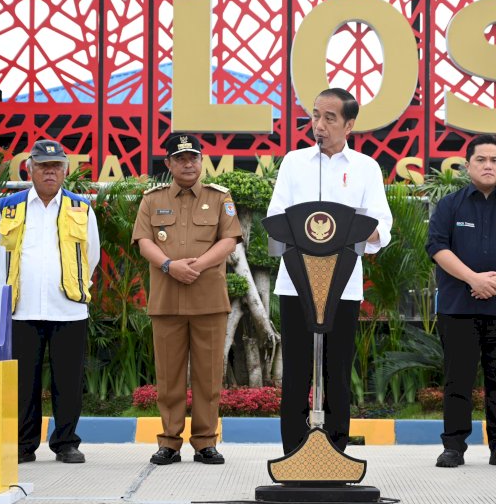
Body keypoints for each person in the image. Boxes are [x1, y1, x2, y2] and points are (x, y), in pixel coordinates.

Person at [268, 88, 392, 454]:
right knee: (295, 373)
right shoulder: (293, 162)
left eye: (329, 118)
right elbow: (276, 217)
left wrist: (359, 230)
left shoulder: (366, 168)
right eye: (315, 116)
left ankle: (336, 453)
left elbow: (381, 226)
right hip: (296, 284)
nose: (318, 125)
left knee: (336, 373)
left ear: (349, 125)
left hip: (343, 285)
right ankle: (293, 454)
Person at [426, 134, 496, 469]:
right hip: (458, 307)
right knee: (458, 378)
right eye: (481, 159)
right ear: (467, 165)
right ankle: (454, 447)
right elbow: (437, 247)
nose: (488, 165)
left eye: (494, 160)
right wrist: (473, 279)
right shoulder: (450, 205)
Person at [132, 133, 242, 466]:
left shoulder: (219, 197)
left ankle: (206, 442)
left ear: (201, 160)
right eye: (180, 158)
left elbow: (229, 240)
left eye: (193, 157)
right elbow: (144, 242)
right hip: (167, 300)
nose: (188, 164)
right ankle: (169, 442)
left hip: (209, 300)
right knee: (169, 377)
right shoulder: (152, 199)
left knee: (208, 376)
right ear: (169, 163)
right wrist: (169, 266)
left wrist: (197, 266)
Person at [0, 140, 100, 464]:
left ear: (65, 171)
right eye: (42, 166)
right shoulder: (8, 207)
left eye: (55, 166)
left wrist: (75, 287)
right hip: (20, 308)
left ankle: (66, 443)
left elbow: (91, 254)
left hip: (68, 308)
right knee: (24, 381)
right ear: (30, 170)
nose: (49, 172)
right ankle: (24, 446)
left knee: (68, 381)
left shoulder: (81, 208)